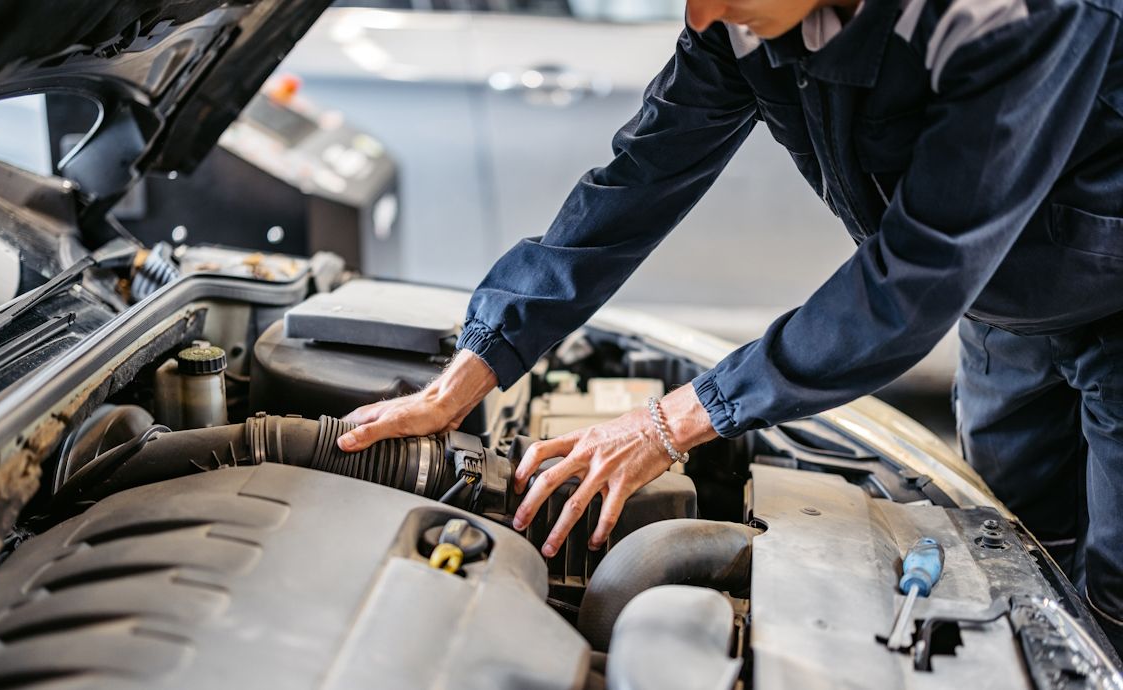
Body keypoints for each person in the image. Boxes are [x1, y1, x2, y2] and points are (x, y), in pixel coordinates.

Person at [337, 0, 1123, 651]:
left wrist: (673, 422)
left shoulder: (1011, 14)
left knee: (1113, 599)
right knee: (1011, 569)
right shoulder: (737, 20)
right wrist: (472, 366)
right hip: (1004, 313)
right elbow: (637, 180)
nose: (701, 13)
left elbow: (914, 279)